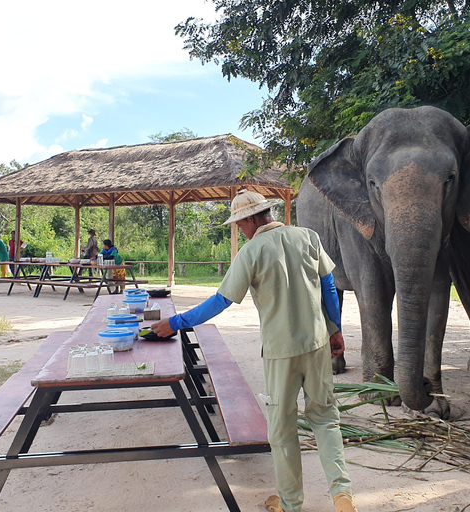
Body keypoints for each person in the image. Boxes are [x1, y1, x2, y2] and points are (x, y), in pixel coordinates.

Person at [151, 190, 358, 512]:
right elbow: (328, 286)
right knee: (325, 419)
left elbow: (221, 301)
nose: (240, 230)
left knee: (282, 428)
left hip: (281, 351)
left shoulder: (251, 252)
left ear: (249, 219)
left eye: (239, 225)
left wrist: (176, 322)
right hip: (317, 344)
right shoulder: (308, 237)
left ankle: (291, 503)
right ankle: (341, 495)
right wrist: (336, 329)